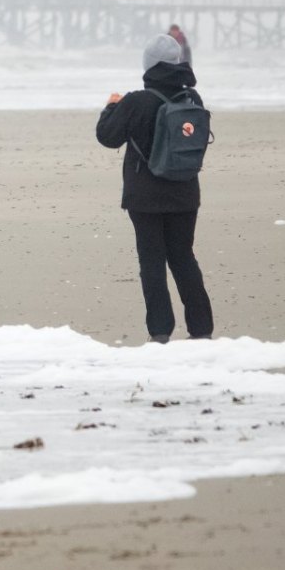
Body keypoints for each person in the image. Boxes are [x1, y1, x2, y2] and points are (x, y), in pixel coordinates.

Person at [96, 34, 214, 343]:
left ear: (148, 66)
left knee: (152, 263)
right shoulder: (193, 100)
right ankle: (201, 329)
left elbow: (107, 137)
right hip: (185, 191)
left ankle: (161, 332)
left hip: (145, 196)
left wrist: (110, 108)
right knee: (183, 257)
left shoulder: (136, 101)